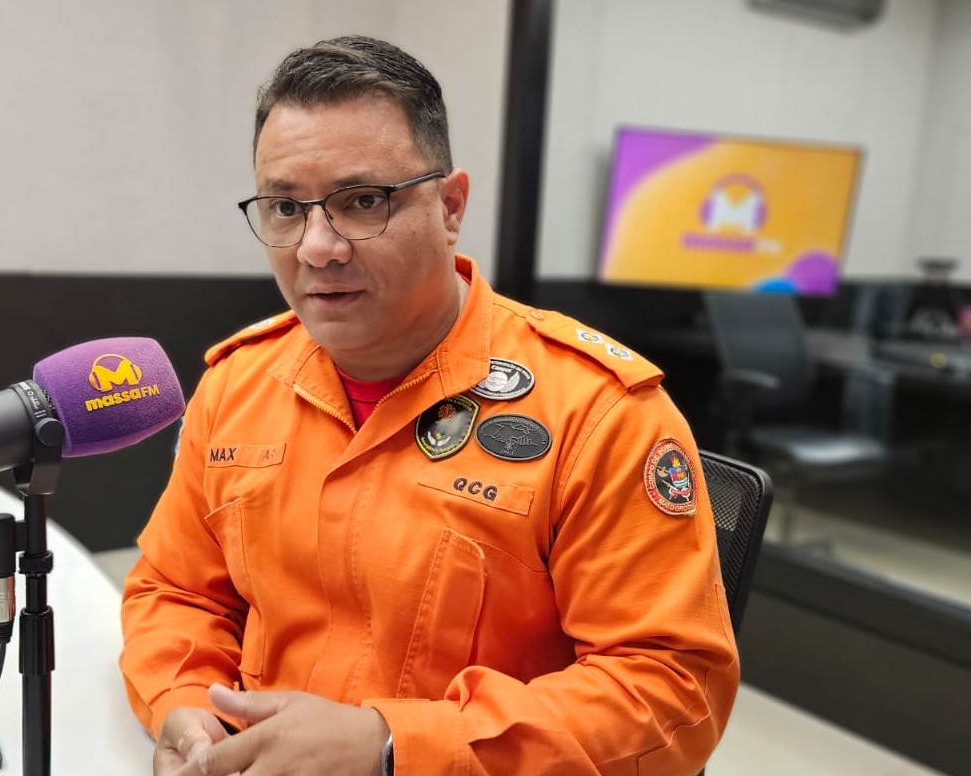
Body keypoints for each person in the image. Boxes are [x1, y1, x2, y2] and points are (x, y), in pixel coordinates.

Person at [120, 35, 738, 776]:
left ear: (450, 207)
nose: (317, 247)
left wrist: (394, 747)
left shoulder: (598, 414)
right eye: (285, 207)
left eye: (362, 202)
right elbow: (175, 591)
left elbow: (670, 691)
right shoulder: (237, 385)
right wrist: (186, 704)